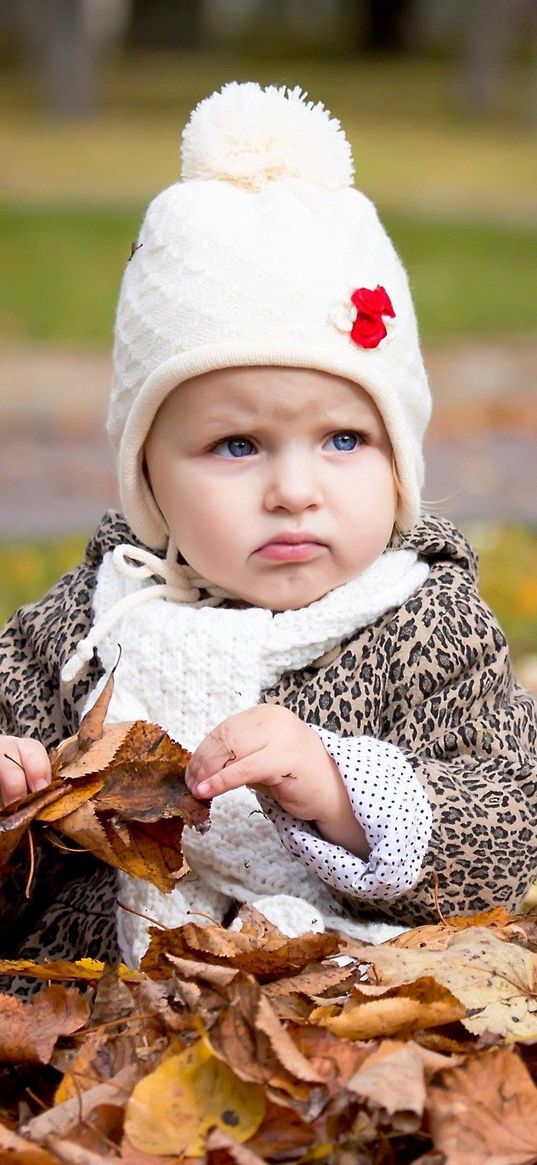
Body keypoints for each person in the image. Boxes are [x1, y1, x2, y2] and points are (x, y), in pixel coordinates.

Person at [1, 83, 536, 976]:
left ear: (398, 460)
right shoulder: (89, 626)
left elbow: (509, 823)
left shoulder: (426, 624)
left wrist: (343, 791)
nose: (294, 489)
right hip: (105, 1012)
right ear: (149, 481)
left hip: (348, 1005)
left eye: (342, 438)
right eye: (236, 444)